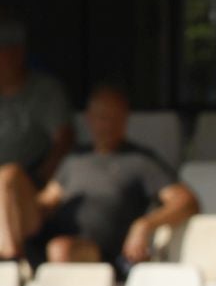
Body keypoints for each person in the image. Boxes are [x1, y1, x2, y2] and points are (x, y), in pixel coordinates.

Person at [18, 88, 198, 271]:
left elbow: (186, 201)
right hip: (50, 239)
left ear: (125, 119)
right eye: (102, 117)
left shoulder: (141, 160)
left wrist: (144, 225)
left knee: (60, 248)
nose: (108, 125)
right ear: (89, 118)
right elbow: (46, 202)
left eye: (115, 118)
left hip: (102, 252)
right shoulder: (74, 159)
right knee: (9, 177)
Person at [0, 12, 74, 261]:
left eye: (7, 50)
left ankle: (10, 260)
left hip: (29, 188)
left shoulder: (44, 91)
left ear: (19, 53)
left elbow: (64, 141)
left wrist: (44, 179)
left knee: (6, 177)